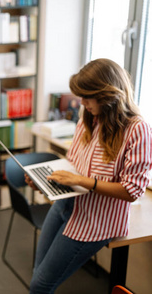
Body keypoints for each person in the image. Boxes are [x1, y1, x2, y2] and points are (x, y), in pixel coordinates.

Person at [27, 58, 152, 293]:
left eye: (86, 96)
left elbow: (132, 191)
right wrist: (45, 183)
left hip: (96, 221)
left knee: (40, 285)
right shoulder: (89, 119)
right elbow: (73, 166)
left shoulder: (138, 130)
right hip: (67, 205)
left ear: (107, 95)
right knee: (39, 273)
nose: (81, 102)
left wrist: (84, 181)